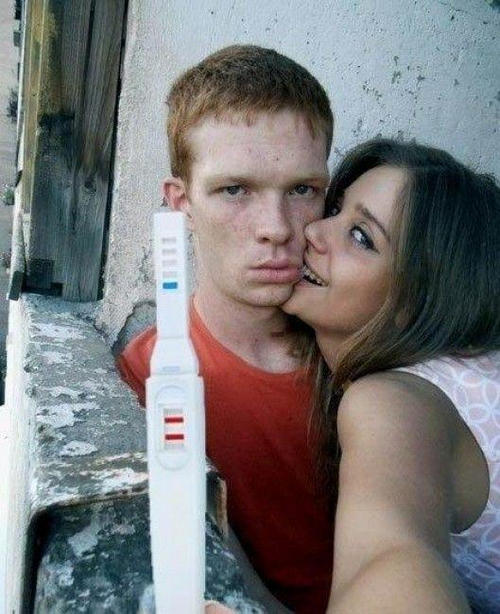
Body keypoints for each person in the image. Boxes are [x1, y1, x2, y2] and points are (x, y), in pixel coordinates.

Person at [117, 45, 335, 612]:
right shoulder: (144, 380)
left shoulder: (361, 347)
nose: (276, 228)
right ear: (181, 203)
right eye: (235, 189)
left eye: (302, 190)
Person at [278, 138, 499, 613]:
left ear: (416, 303)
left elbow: (391, 558)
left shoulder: (396, 400)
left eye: (361, 237)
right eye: (334, 209)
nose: (314, 230)